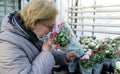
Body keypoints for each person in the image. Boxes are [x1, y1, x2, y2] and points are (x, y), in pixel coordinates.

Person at [0, 0, 77, 74]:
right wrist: (46, 52)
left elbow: (48, 52)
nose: (52, 30)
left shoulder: (33, 33)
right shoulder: (8, 45)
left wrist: (64, 57)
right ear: (36, 23)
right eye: (50, 26)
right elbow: (45, 53)